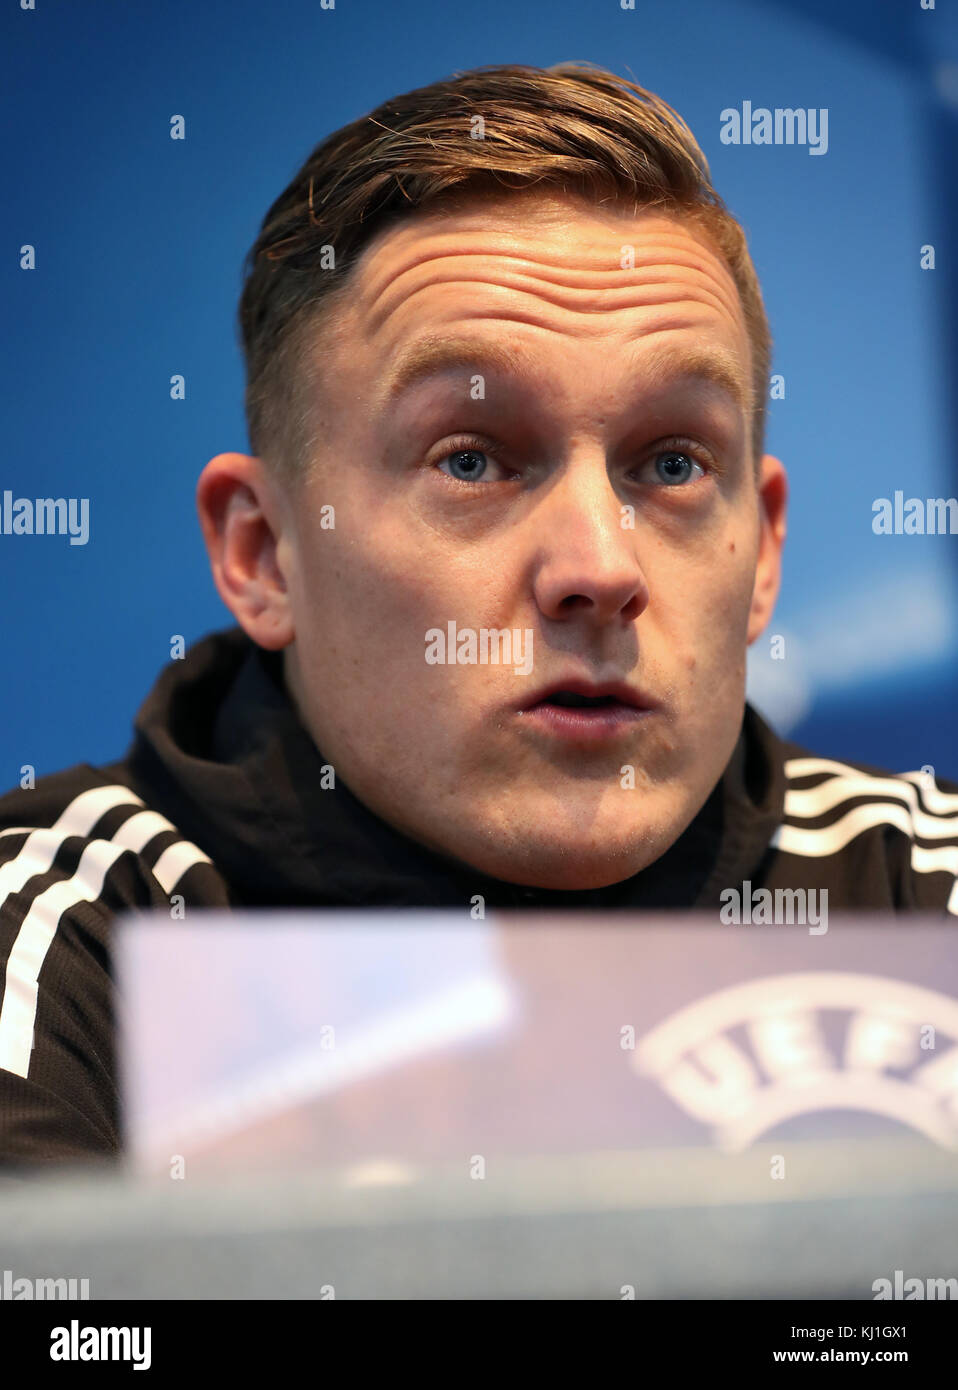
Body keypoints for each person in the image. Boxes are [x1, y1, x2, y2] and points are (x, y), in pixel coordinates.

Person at [2, 62, 956, 1164]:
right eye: (471, 459)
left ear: (764, 550)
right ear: (263, 553)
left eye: (673, 462)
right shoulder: (66, 940)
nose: (599, 567)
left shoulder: (919, 894)